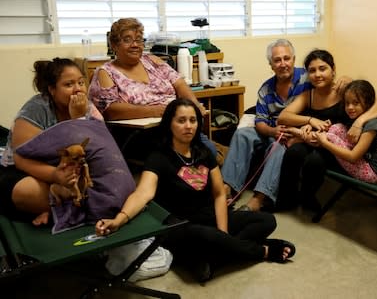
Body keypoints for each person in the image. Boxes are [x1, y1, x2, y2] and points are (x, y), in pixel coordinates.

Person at [95, 99, 296, 282]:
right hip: (179, 226)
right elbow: (142, 194)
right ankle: (264, 250)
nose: (188, 126)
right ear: (170, 124)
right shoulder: (158, 157)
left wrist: (223, 233)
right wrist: (119, 219)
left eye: (192, 120)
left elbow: (219, 193)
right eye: (181, 120)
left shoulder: (204, 153)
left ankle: (209, 259)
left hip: (208, 218)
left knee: (266, 220)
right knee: (206, 236)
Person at [88, 17, 216, 156]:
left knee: (208, 152)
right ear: (114, 45)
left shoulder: (153, 61)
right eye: (127, 39)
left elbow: (179, 83)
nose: (135, 44)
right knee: (199, 155)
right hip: (141, 134)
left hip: (175, 123)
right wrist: (159, 111)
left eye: (138, 39)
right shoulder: (105, 72)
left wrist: (194, 105)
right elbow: (111, 110)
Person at [0, 58, 103, 225]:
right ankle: (59, 210)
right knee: (26, 191)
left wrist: (79, 117)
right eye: (69, 85)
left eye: (81, 82)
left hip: (72, 171)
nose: (78, 89)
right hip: (28, 171)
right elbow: (21, 159)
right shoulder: (37, 108)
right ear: (52, 89)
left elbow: (101, 148)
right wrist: (55, 175)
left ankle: (52, 211)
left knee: (105, 182)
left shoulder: (88, 108)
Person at [220, 39, 311, 212]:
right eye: (277, 60)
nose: (283, 64)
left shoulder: (307, 78)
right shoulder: (265, 89)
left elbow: (329, 83)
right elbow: (260, 122)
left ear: (293, 59)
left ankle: (258, 199)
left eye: (287, 58)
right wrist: (272, 131)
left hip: (294, 134)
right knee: (242, 134)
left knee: (278, 148)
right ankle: (228, 189)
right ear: (271, 65)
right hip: (271, 130)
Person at [276, 49, 363, 210]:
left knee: (314, 161)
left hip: (336, 145)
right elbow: (283, 116)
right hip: (313, 139)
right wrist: (310, 120)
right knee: (294, 152)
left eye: (322, 68)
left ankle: (308, 197)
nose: (317, 74)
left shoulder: (344, 92)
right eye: (312, 71)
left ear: (333, 70)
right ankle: (286, 200)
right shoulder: (309, 95)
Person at [314, 80, 377, 183]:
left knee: (331, 137)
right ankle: (305, 135)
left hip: (376, 173)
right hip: (365, 159)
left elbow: (353, 157)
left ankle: (312, 139)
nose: (350, 107)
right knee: (337, 128)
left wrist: (324, 142)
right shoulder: (355, 118)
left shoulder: (372, 124)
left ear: (368, 103)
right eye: (347, 103)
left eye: (356, 103)